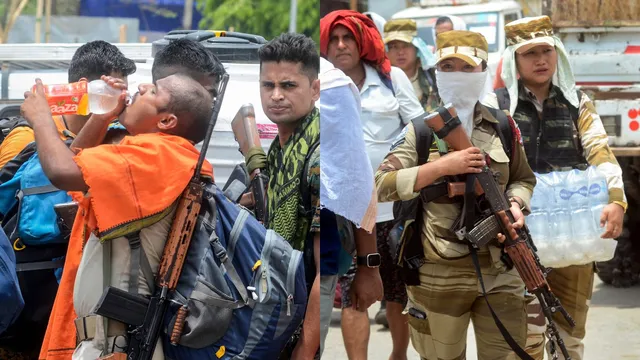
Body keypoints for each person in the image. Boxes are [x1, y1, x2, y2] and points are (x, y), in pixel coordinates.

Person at [36, 39, 225, 360]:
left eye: (152, 91)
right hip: (109, 340)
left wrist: (41, 116)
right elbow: (78, 165)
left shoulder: (157, 155)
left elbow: (62, 171)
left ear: (166, 122)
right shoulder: (146, 152)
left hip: (117, 343)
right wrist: (100, 117)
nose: (138, 90)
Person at [375, 30, 536, 360]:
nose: (457, 76)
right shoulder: (420, 130)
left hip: (502, 266)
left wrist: (517, 204)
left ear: (483, 73)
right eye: (447, 67)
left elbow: (522, 179)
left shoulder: (503, 125)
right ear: (436, 73)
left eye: (467, 68)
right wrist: (441, 167)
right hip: (439, 274)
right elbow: (381, 184)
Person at [497, 16, 626, 360]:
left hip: (574, 231)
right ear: (514, 60)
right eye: (530, 54)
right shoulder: (498, 107)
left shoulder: (577, 102)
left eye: (546, 51)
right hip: (519, 232)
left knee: (570, 329)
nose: (540, 60)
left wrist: (616, 200)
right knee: (525, 334)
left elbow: (600, 150)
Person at [321, 10, 425, 360]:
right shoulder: (319, 84)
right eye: (333, 39)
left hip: (394, 207)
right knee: (354, 294)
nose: (340, 45)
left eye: (347, 37)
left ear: (359, 41)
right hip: (344, 210)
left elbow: (419, 129)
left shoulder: (391, 78)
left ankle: (398, 354)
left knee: (398, 292)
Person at [238, 32, 321, 359]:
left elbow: (324, 271)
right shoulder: (279, 150)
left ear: (314, 89)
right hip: (273, 319)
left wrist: (305, 348)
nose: (275, 95)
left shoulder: (317, 157)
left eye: (288, 85)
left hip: (300, 328)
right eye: (267, 85)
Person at [318, 56, 383, 355]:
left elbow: (357, 183)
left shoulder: (333, 86)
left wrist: (368, 267)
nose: (277, 95)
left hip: (327, 257)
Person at [0, 41, 136, 170]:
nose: (122, 99)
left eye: (124, 91)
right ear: (84, 87)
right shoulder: (28, 137)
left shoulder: (114, 134)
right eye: (114, 91)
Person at [384, 19, 439, 112]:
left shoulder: (433, 76)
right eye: (393, 47)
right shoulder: (380, 80)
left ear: (417, 47)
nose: (400, 52)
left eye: (406, 45)